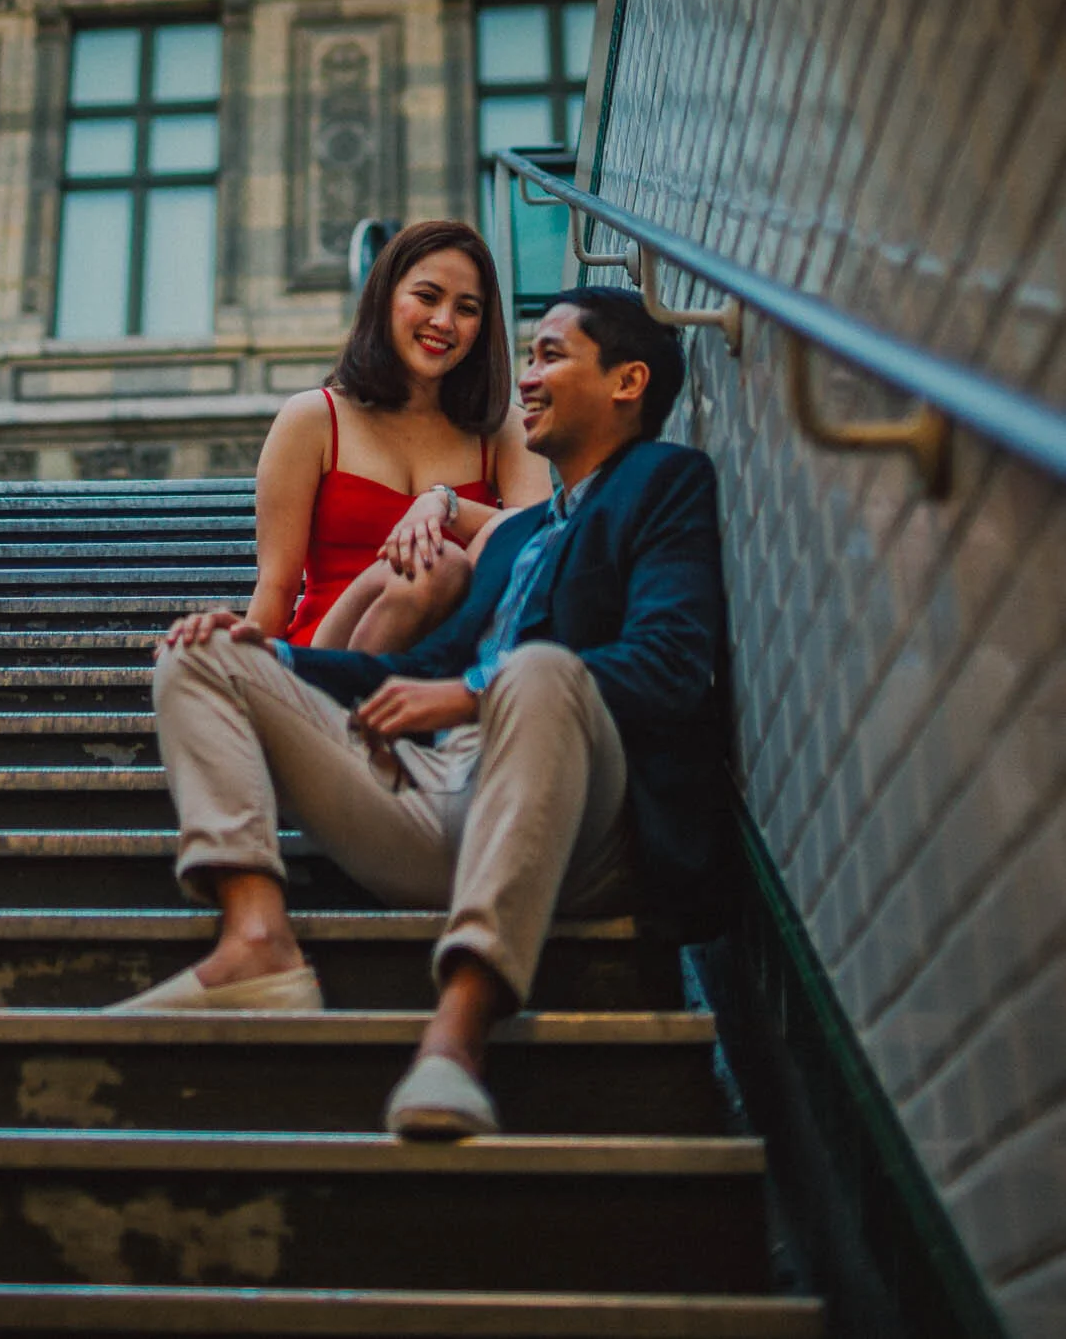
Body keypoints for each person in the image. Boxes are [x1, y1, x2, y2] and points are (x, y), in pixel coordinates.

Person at [119, 288, 731, 1146]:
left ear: (628, 381)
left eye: (551, 355)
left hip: (576, 820)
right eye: (528, 358)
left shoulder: (666, 482)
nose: (528, 379)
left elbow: (670, 666)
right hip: (441, 799)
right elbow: (416, 671)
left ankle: (456, 1038)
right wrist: (274, 660)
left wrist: (480, 693)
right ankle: (258, 938)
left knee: (538, 671)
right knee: (201, 654)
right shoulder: (519, 538)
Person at [167, 221, 547, 666]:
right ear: (384, 298)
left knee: (446, 564)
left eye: (467, 308)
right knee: (435, 562)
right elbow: (277, 587)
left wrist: (443, 504)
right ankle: (342, 711)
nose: (444, 321)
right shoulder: (312, 419)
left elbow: (543, 544)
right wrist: (244, 668)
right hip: (326, 657)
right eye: (427, 297)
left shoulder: (505, 430)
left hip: (444, 671)